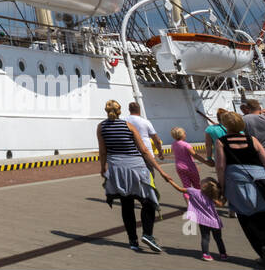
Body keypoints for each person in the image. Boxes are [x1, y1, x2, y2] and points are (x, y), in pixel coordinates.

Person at [98, 100, 186, 253]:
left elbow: (103, 151)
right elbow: (144, 150)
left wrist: (103, 168)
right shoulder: (128, 126)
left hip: (117, 169)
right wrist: (161, 170)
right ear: (119, 111)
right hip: (136, 168)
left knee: (126, 205)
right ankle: (148, 234)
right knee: (149, 201)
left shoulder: (101, 127)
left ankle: (133, 241)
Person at [215, 111, 265, 269]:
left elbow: (220, 166)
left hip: (237, 183)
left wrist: (222, 186)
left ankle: (262, 250)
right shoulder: (252, 139)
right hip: (261, 179)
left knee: (247, 219)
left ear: (226, 125)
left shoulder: (221, 142)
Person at [185, 177, 228, 261]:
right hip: (215, 222)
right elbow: (221, 204)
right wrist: (226, 196)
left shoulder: (196, 192)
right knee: (218, 239)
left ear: (204, 185)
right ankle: (223, 254)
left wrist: (170, 180)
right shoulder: (213, 197)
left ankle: (206, 254)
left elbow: (179, 189)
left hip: (203, 221)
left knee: (205, 238)